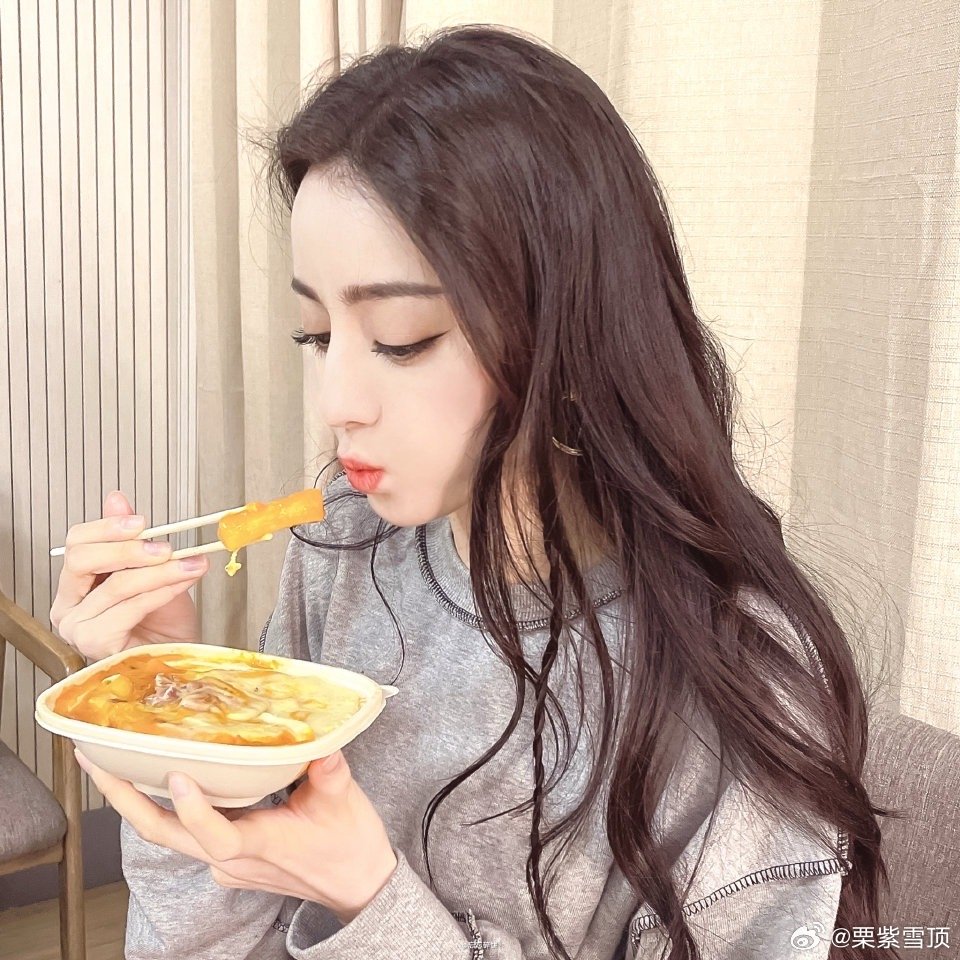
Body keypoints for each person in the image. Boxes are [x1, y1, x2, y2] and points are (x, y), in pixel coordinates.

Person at [49, 24, 899, 960]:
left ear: (565, 328)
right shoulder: (344, 551)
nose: (337, 403)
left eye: (401, 339)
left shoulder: (738, 678)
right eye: (316, 336)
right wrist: (176, 710)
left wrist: (370, 900)